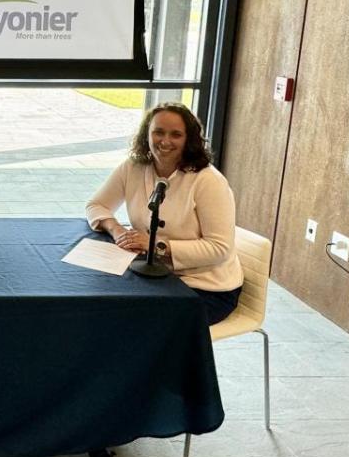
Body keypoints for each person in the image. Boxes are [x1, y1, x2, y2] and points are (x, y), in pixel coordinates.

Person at [86, 102, 243, 324]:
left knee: (133, 322)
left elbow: (219, 249)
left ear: (189, 139)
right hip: (155, 276)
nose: (165, 141)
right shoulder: (133, 168)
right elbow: (96, 205)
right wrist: (117, 230)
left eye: (176, 134)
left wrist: (155, 244)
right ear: (146, 134)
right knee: (98, 303)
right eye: (158, 132)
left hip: (206, 288)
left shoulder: (209, 181)